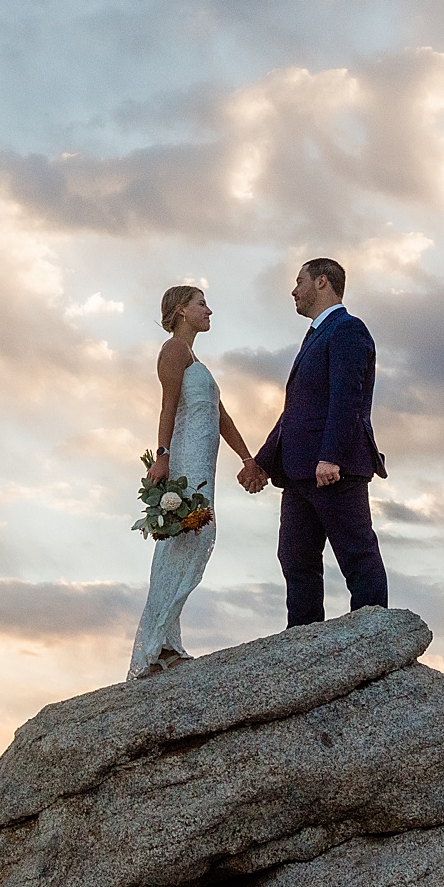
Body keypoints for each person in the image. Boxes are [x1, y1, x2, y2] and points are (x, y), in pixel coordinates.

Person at [240, 257, 390, 625]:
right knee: (295, 558)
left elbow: (347, 397)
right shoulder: (315, 336)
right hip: (298, 474)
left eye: (299, 281)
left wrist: (331, 457)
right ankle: (302, 639)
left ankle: (376, 634)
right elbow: (295, 413)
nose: (294, 290)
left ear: (322, 282)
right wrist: (261, 463)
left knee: (356, 553)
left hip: (333, 470)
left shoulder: (348, 330)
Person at [128, 285, 258, 678]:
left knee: (192, 540)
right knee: (184, 541)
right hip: (184, 461)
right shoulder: (174, 351)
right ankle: (154, 648)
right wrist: (163, 456)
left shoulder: (195, 357)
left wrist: (248, 458)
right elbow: (168, 404)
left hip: (205, 465)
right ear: (181, 310)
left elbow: (221, 417)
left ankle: (166, 643)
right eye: (202, 304)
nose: (209, 310)